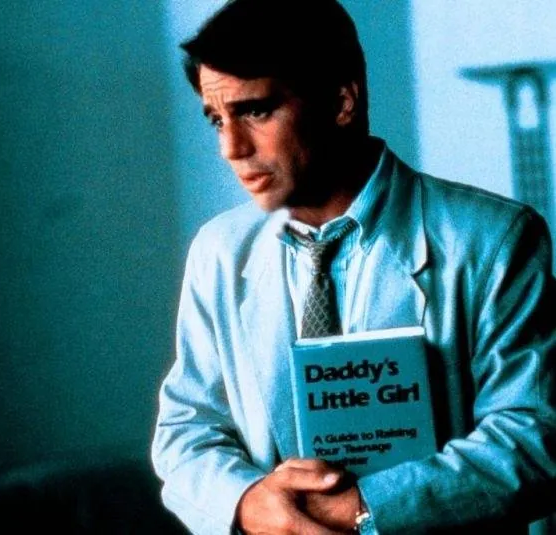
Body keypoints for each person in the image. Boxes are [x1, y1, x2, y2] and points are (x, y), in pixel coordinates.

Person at [151, 1, 556, 533]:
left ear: (342, 101)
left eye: (256, 111)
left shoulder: (494, 239)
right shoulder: (218, 252)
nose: (231, 147)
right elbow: (186, 430)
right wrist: (250, 502)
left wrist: (364, 508)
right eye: (216, 119)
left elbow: (533, 437)